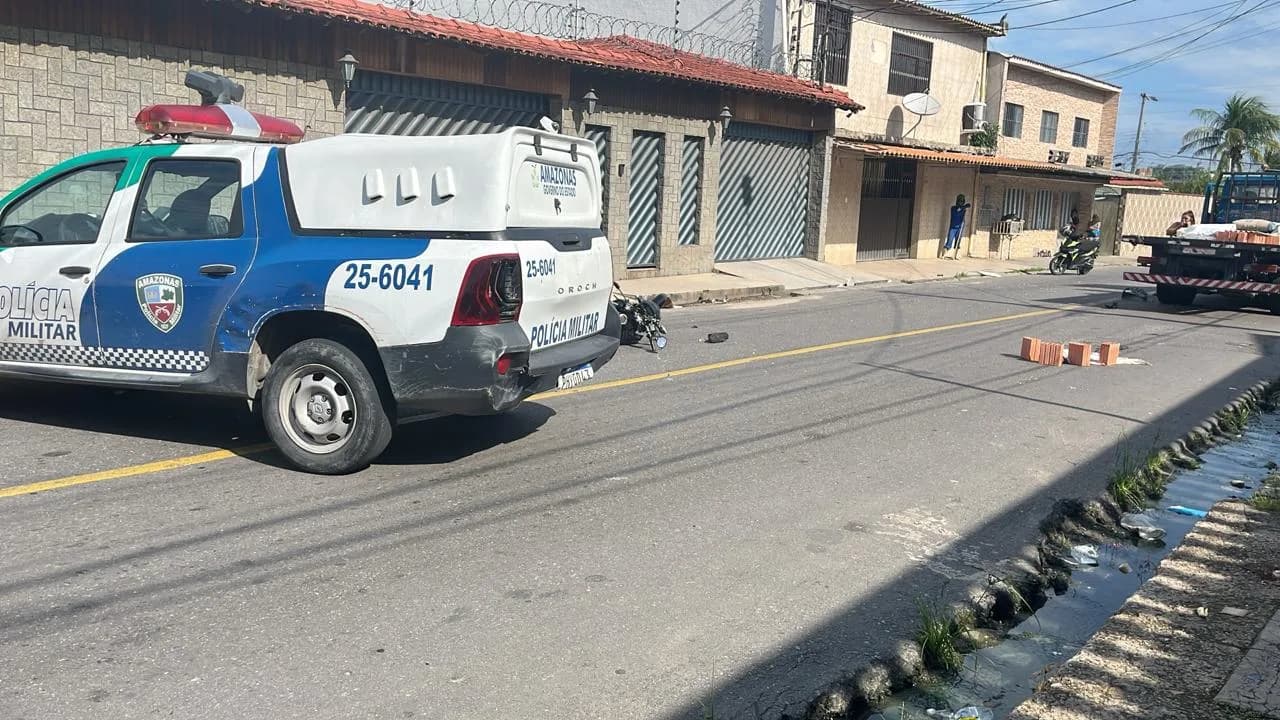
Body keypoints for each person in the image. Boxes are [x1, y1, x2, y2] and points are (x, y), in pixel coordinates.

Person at [943, 194, 971, 260]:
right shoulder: (953, 208)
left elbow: (966, 207)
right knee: (949, 240)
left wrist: (964, 207)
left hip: (960, 227)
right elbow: (957, 211)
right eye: (959, 201)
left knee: (958, 241)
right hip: (953, 227)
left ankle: (956, 254)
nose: (960, 202)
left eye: (962, 201)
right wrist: (963, 207)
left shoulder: (963, 209)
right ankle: (945, 253)